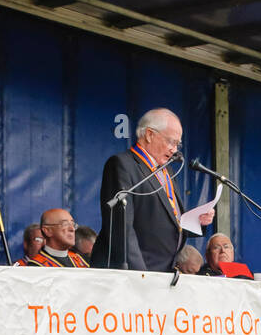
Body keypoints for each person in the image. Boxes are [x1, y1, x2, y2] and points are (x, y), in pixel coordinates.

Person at [90, 108, 213, 271]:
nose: (175, 150)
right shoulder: (123, 165)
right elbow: (123, 229)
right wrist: (142, 275)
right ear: (149, 135)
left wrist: (197, 221)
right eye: (171, 141)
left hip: (161, 271)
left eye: (178, 144)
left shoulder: (166, 170)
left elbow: (162, 222)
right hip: (135, 273)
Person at [20, 210, 88, 268]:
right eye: (65, 224)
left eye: (73, 224)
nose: (72, 229)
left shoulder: (81, 260)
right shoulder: (36, 266)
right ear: (47, 231)